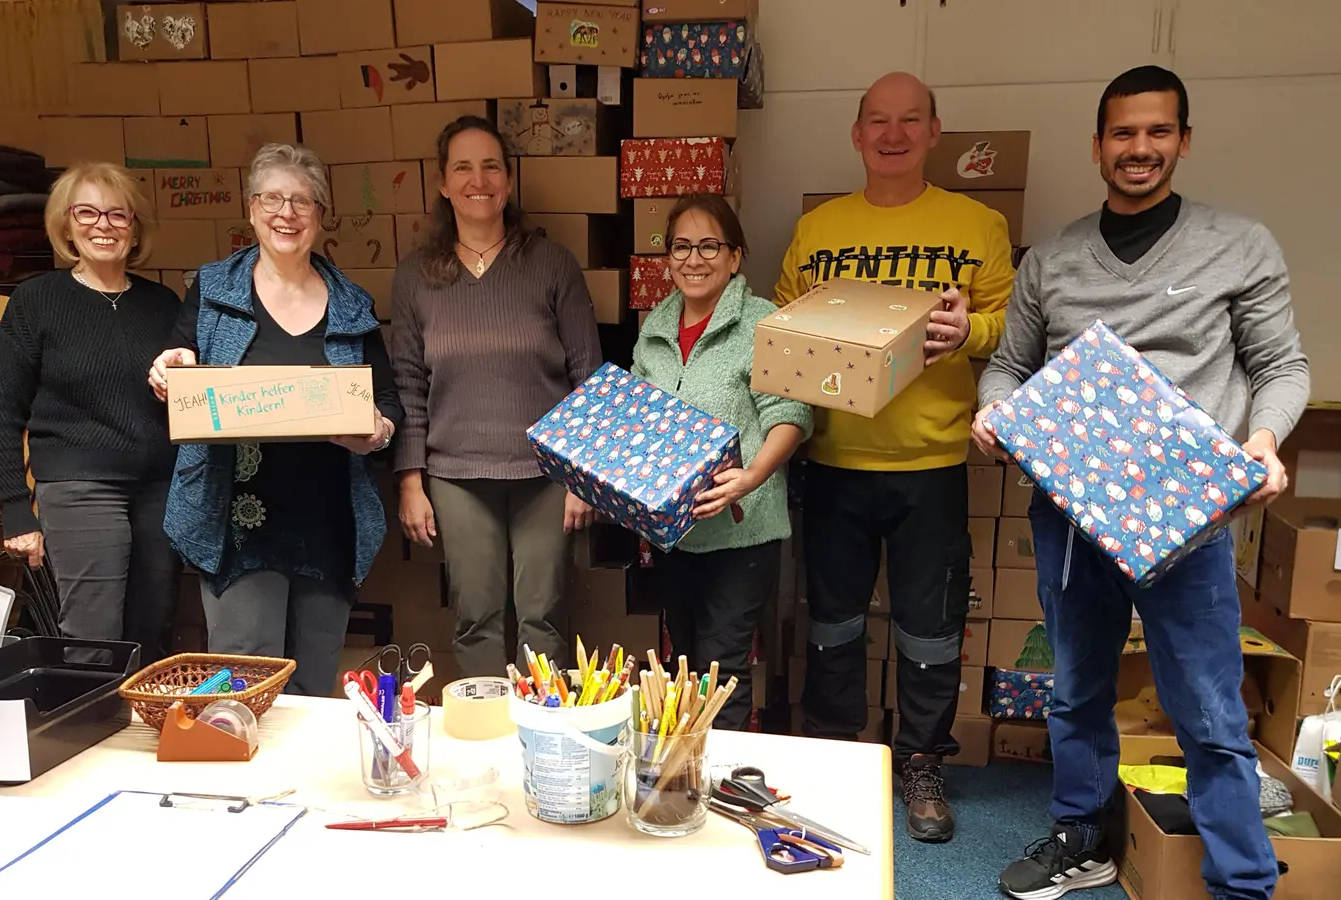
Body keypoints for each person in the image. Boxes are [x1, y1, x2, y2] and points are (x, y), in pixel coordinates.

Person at [975, 66, 1309, 900]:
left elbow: (1282, 366)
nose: (1140, 149)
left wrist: (1263, 442)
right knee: (1077, 690)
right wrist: (994, 416)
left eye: (1158, 132)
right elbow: (1007, 367)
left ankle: (1242, 880)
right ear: (1097, 147)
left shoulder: (1240, 245)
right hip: (1072, 518)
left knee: (1208, 709)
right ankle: (1082, 835)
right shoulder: (1051, 261)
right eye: (1123, 133)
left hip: (1188, 521)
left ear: (1184, 140)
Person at [772, 71, 1015, 842]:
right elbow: (783, 321)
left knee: (931, 630)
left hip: (932, 466)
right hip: (835, 459)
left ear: (935, 133)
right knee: (833, 623)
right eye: (878, 120)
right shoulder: (820, 229)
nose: (893, 133)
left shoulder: (977, 224)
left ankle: (920, 764)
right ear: (856, 133)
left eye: (911, 120)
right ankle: (838, 755)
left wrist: (967, 334)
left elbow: (1014, 325)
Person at [148, 143, 403, 698]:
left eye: (303, 202)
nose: (286, 213)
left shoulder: (352, 304)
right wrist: (170, 368)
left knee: (313, 687)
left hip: (326, 519)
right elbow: (177, 363)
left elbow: (388, 402)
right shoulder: (213, 292)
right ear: (250, 208)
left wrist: (376, 432)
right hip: (236, 522)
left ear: (320, 216)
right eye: (272, 199)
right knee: (244, 685)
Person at [387, 115, 601, 679]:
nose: (477, 180)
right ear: (442, 183)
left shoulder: (551, 265)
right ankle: (486, 745)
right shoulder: (415, 277)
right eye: (463, 167)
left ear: (508, 182)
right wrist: (411, 482)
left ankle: (543, 743)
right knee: (476, 617)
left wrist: (584, 475)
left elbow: (588, 374)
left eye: (490, 166)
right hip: (456, 475)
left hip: (547, 474)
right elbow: (406, 382)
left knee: (543, 620)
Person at [0, 161, 183, 665]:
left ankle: (143, 737)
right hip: (78, 490)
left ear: (135, 227)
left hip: (160, 489)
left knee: (154, 632)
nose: (104, 225)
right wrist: (14, 509)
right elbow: (4, 412)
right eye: (88, 212)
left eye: (119, 215)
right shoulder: (36, 301)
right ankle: (87, 738)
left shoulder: (163, 305)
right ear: (66, 224)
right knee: (94, 639)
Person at [630, 195, 812, 731]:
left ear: (736, 256)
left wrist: (750, 478)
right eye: (681, 246)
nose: (694, 258)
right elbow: (635, 421)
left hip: (743, 530)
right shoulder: (655, 327)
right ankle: (688, 777)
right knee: (683, 662)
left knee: (722, 666)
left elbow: (792, 414)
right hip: (675, 533)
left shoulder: (764, 323)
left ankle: (720, 791)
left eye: (709, 245)